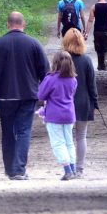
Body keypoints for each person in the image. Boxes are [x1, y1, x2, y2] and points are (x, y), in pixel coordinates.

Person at [0, 11, 49, 180]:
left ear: (8, 24)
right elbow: (45, 72)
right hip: (28, 95)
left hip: (4, 96)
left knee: (8, 132)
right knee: (24, 131)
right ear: (23, 24)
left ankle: (10, 169)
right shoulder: (34, 44)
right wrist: (47, 96)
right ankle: (19, 169)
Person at [36, 50, 78, 181]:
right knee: (69, 142)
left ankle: (67, 170)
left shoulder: (50, 79)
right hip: (70, 114)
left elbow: (41, 96)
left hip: (54, 115)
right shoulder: (73, 79)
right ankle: (73, 168)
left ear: (54, 63)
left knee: (58, 143)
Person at [62, 29, 98, 177]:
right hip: (84, 102)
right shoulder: (87, 60)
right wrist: (95, 102)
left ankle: (69, 167)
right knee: (81, 136)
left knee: (67, 137)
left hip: (64, 103)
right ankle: (80, 168)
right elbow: (92, 85)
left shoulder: (62, 59)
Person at [84, 0, 107, 71]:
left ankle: (101, 67)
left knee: (99, 49)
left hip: (97, 31)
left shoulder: (94, 7)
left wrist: (86, 33)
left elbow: (90, 20)